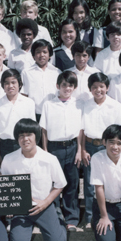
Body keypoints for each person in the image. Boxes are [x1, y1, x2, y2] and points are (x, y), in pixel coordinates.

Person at [2, 119, 67, 241]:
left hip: (43, 205)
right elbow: (5, 185)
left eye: (29, 135)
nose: (25, 139)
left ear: (36, 137)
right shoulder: (9, 159)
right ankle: (25, 226)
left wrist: (45, 202)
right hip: (20, 208)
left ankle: (58, 219)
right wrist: (9, 206)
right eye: (21, 136)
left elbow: (60, 185)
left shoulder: (50, 159)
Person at [39, 71, 83, 231]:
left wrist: (79, 149)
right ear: (58, 86)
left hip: (71, 147)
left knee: (72, 183)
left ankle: (71, 218)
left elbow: (80, 129)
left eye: (70, 85)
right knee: (54, 183)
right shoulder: (48, 105)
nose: (67, 88)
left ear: (74, 87)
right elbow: (43, 129)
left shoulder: (78, 104)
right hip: (54, 148)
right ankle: (56, 216)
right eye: (64, 85)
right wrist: (44, 150)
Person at [80, 72, 121, 227]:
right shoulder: (86, 105)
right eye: (94, 87)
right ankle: (90, 217)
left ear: (107, 87)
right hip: (91, 146)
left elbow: (118, 131)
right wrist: (83, 150)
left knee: (109, 180)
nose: (98, 90)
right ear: (90, 89)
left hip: (109, 147)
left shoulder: (115, 105)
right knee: (90, 184)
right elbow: (82, 129)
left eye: (101, 87)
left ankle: (108, 215)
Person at [0, 69, 36, 161]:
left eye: (13, 82)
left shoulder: (29, 103)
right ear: (3, 85)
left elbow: (33, 129)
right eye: (6, 83)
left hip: (24, 144)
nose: (10, 86)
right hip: (5, 146)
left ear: (19, 84)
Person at [21, 39, 62, 120]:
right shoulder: (26, 72)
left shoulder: (57, 72)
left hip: (53, 112)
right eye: (38, 52)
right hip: (34, 113)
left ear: (50, 55)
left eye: (45, 52)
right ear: (33, 55)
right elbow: (23, 94)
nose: (41, 55)